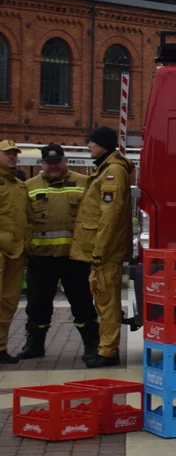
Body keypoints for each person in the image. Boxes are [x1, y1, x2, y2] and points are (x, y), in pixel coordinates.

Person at [21, 144, 97, 361]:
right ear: (42, 164)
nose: (54, 166)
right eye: (49, 163)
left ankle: (91, 345)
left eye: (58, 162)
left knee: (82, 304)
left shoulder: (84, 183)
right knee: (37, 305)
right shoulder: (28, 187)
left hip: (75, 258)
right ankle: (35, 345)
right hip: (41, 258)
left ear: (65, 161)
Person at [71, 127, 134, 369]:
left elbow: (110, 216)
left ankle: (108, 351)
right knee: (103, 300)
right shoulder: (106, 169)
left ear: (104, 146)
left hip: (105, 252)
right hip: (102, 251)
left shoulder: (113, 172)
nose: (89, 147)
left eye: (92, 144)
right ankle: (104, 348)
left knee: (107, 302)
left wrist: (99, 249)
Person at [0, 140, 28, 365]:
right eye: (7, 154)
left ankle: (1, 347)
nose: (12, 157)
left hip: (16, 252)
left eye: (14, 154)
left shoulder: (20, 186)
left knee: (9, 302)